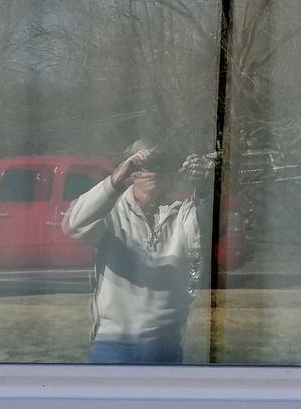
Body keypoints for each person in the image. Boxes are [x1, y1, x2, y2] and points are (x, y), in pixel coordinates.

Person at [61, 140, 211, 364]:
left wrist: (205, 188)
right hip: (113, 343)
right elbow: (73, 225)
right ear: (129, 171)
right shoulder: (110, 212)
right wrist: (114, 181)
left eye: (159, 163)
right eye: (141, 164)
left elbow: (204, 236)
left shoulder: (181, 213)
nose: (151, 170)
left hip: (166, 343)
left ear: (169, 172)